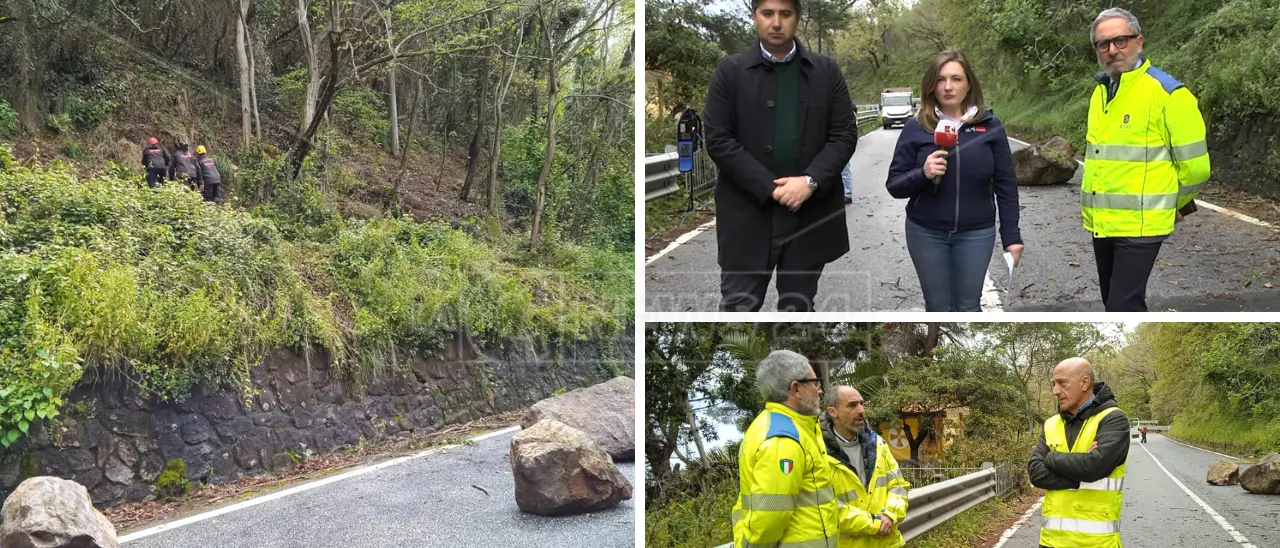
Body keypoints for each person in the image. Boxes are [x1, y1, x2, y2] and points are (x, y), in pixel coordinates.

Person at [703, 0, 857, 312]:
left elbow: (843, 135)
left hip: (809, 213)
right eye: (767, 13)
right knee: (738, 306)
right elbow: (719, 139)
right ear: (755, 17)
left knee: (798, 308)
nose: (776, 22)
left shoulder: (826, 72)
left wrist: (809, 182)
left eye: (785, 14)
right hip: (747, 214)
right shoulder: (730, 72)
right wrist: (770, 187)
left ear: (797, 18)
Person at [1081, 8, 1210, 312]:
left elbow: (1197, 167)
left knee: (1122, 305)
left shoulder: (1168, 94)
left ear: (1139, 41)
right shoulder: (1100, 93)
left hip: (1142, 226)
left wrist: (1175, 204)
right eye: (1104, 44)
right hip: (1102, 223)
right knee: (1112, 302)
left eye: (1121, 40)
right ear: (1096, 50)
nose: (1113, 50)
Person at [885, 50, 1022, 312]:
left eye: (956, 78)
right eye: (941, 79)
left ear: (968, 83)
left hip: (977, 233)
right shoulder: (916, 126)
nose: (948, 87)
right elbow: (894, 184)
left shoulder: (990, 125)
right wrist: (922, 173)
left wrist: (1011, 236)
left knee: (968, 307)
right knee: (937, 306)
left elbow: (1006, 184)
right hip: (925, 232)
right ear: (931, 85)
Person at [732, 350, 839, 548]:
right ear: (796, 389)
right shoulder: (784, 438)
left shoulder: (778, 426)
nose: (820, 390)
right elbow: (768, 521)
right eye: (815, 383)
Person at [1027, 357, 1130, 548]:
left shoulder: (1113, 419)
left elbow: (1094, 466)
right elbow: (1036, 473)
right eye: (1054, 384)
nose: (1055, 391)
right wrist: (1082, 473)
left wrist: (1050, 457)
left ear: (1084, 383)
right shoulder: (1051, 424)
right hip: (1050, 542)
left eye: (1062, 383)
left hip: (1096, 544)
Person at [820, 385, 909, 547]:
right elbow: (826, 506)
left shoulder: (878, 445)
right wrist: (875, 523)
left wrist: (889, 515)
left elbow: (898, 485)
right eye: (852, 405)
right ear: (833, 412)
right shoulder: (819, 452)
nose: (861, 410)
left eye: (862, 403)